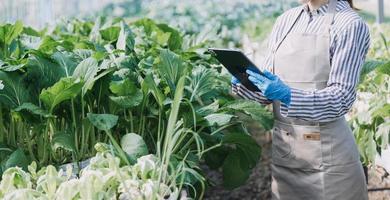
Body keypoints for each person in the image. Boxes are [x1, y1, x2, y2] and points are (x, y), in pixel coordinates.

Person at [231, 0, 370, 199]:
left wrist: (288, 95)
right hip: (286, 157)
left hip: (328, 163)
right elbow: (266, 93)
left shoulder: (349, 24)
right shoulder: (286, 20)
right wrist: (245, 83)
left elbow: (341, 98)